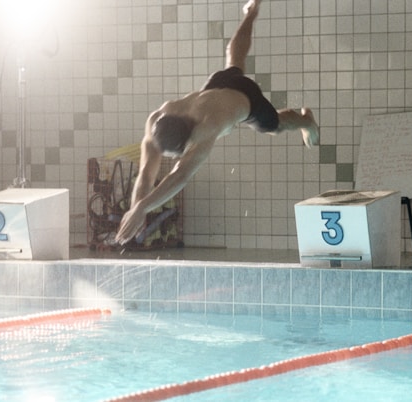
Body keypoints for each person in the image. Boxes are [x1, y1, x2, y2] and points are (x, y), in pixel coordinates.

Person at [115, 0, 319, 245]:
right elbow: (146, 177)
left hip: (245, 99)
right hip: (214, 89)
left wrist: (142, 209)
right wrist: (135, 210)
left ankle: (307, 121)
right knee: (234, 60)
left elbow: (180, 176)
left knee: (274, 126)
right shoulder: (157, 120)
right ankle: (251, 13)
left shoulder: (206, 128)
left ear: (189, 133)